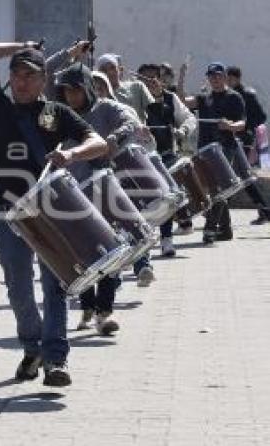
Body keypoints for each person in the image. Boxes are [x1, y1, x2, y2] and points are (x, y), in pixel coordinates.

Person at [0, 41, 108, 387]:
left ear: (43, 79)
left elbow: (99, 142)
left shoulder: (57, 113)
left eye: (29, 76)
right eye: (16, 75)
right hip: (8, 214)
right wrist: (22, 45)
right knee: (18, 289)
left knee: (56, 287)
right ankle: (32, 345)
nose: (21, 82)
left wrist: (73, 153)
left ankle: (55, 359)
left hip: (51, 210)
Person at [55, 62, 142, 334]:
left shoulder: (105, 108)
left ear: (88, 89)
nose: (72, 97)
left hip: (104, 189)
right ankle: (87, 306)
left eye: (76, 90)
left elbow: (132, 122)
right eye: (67, 92)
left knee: (111, 248)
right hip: (72, 192)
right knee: (81, 252)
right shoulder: (63, 115)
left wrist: (114, 138)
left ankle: (105, 312)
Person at [177, 62, 246, 244]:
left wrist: (230, 126)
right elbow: (182, 101)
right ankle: (225, 229)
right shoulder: (204, 98)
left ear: (224, 77)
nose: (214, 79)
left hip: (226, 147)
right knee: (215, 189)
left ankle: (210, 228)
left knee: (222, 189)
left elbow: (242, 124)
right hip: (205, 150)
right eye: (211, 76)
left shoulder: (234, 97)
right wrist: (181, 77)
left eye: (217, 75)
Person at [136, 63, 197, 259]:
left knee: (166, 197)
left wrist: (183, 130)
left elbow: (189, 118)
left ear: (161, 79)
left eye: (154, 78)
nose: (150, 82)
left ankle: (167, 239)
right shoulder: (133, 101)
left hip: (166, 155)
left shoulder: (171, 99)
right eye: (145, 78)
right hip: (139, 158)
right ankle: (138, 245)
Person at [225, 66, 270, 224]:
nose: (226, 81)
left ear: (236, 78)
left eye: (228, 78)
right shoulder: (228, 95)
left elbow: (261, 117)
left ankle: (265, 210)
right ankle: (265, 210)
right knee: (239, 176)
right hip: (231, 139)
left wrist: (244, 125)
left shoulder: (247, 95)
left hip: (244, 139)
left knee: (240, 176)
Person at [96, 53, 155, 123]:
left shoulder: (137, 87)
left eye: (112, 68)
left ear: (120, 69)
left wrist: (158, 94)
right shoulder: (96, 96)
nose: (109, 73)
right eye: (104, 70)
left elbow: (155, 112)